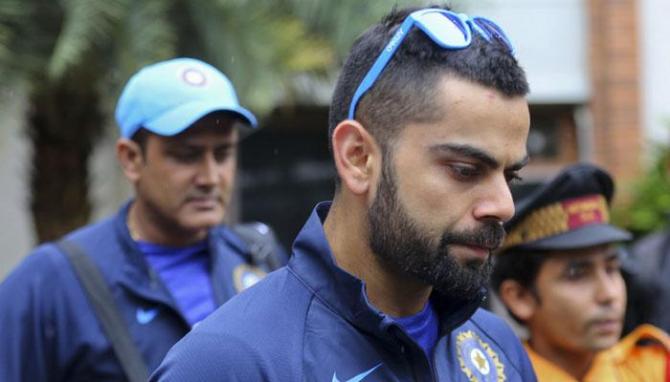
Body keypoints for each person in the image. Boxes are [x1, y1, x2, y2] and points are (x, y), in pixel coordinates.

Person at [152, 6, 537, 381]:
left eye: (511, 176)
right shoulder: (227, 364)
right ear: (358, 157)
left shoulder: (496, 349)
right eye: (465, 170)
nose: (503, 206)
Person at [0, 57, 287, 381]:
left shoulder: (258, 256)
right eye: (187, 155)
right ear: (131, 159)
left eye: (223, 153)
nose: (210, 176)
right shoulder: (49, 283)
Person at [491, 163, 670, 381]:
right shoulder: (491, 375)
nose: (609, 295)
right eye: (577, 274)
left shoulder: (655, 370)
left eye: (612, 269)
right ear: (519, 297)